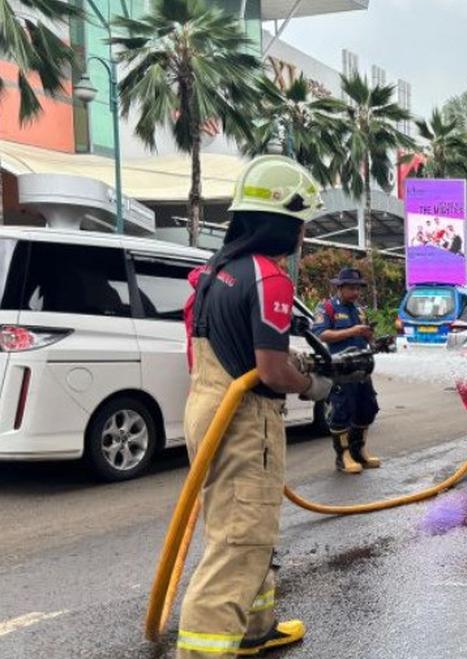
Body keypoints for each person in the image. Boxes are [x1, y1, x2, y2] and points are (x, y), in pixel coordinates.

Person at [178, 155, 332, 657]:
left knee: (246, 528)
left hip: (208, 402)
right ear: (282, 222)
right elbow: (270, 371)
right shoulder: (270, 278)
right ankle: (203, 651)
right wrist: (313, 385)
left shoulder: (217, 270)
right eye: (301, 223)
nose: (303, 234)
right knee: (238, 541)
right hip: (245, 419)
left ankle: (254, 629)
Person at [312, 267, 382, 474]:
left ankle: (358, 451)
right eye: (352, 288)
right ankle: (343, 457)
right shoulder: (326, 308)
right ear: (340, 288)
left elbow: (365, 336)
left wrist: (371, 337)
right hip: (341, 369)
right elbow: (321, 334)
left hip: (362, 368)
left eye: (358, 289)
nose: (356, 293)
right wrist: (353, 331)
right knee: (341, 412)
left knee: (367, 409)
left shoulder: (359, 310)